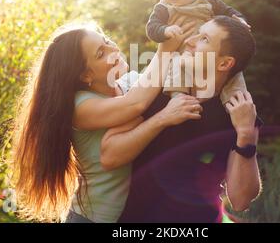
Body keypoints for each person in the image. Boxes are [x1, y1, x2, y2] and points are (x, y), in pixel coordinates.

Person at [9, 21, 202, 223]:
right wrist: (165, 49)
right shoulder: (80, 106)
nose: (114, 49)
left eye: (107, 41)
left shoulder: (128, 84)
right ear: (86, 75)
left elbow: (161, 79)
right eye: (101, 53)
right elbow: (135, 104)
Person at [112, 16, 263, 222]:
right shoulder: (154, 90)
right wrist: (163, 117)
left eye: (204, 39)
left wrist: (245, 135)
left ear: (225, 63)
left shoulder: (238, 113)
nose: (190, 41)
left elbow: (241, 200)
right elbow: (110, 156)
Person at [146, 0, 250, 105]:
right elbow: (151, 28)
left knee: (233, 71)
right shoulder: (163, 8)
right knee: (176, 67)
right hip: (181, 53)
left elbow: (229, 12)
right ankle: (178, 98)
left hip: (206, 53)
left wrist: (240, 20)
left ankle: (236, 101)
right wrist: (165, 30)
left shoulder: (208, 1)